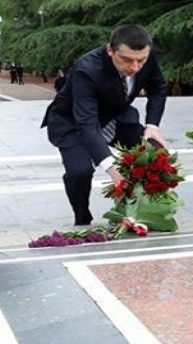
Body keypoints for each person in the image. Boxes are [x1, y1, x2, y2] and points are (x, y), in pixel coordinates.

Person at [41, 25, 168, 225]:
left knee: (154, 151)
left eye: (140, 60)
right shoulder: (87, 69)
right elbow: (87, 125)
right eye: (126, 60)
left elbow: (158, 88)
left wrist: (152, 125)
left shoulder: (146, 56)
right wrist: (111, 168)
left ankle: (139, 210)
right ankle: (82, 217)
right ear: (110, 50)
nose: (134, 68)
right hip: (73, 121)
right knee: (80, 171)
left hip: (116, 115)